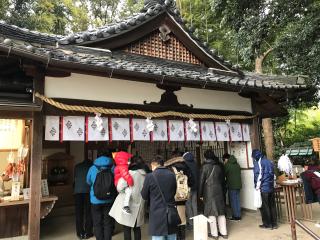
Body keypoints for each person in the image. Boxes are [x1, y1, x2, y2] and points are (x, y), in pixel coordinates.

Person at [109, 156, 147, 240]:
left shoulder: (129, 173)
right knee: (137, 228)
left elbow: (119, 187)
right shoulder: (145, 175)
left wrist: (125, 189)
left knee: (127, 228)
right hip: (139, 204)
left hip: (128, 204)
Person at [141, 155, 178, 240]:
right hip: (170, 212)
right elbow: (174, 191)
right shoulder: (172, 175)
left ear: (153, 165)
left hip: (156, 213)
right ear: (162, 164)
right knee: (171, 236)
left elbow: (144, 196)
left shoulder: (150, 176)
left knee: (158, 237)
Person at [86, 151, 115, 240]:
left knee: (97, 222)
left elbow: (88, 181)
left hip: (95, 200)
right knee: (108, 222)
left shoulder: (92, 168)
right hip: (109, 199)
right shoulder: (113, 167)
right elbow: (116, 181)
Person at [199, 150, 227, 240]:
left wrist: (200, 194)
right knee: (221, 211)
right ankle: (224, 233)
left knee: (211, 212)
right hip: (219, 191)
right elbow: (223, 181)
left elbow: (201, 182)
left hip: (208, 191)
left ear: (205, 157)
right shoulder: (218, 166)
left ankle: (214, 234)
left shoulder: (204, 167)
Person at [165, 152, 193, 240]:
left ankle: (177, 236)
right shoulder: (187, 167)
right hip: (183, 195)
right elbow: (191, 181)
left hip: (173, 196)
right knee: (182, 216)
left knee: (174, 216)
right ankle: (183, 236)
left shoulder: (170, 169)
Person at [252, 149, 277, 230]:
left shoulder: (258, 162)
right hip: (271, 187)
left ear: (256, 156)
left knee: (265, 207)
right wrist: (274, 184)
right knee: (272, 205)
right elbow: (273, 175)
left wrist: (257, 187)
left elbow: (258, 175)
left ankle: (268, 224)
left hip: (264, 187)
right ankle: (274, 224)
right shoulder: (269, 161)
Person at [74, 159, 93, 239]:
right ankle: (88, 233)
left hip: (78, 191)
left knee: (79, 212)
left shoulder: (77, 166)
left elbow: (75, 178)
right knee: (89, 212)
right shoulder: (92, 166)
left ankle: (80, 233)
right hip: (88, 191)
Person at [223, 153, 242, 221]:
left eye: (224, 160)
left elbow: (224, 174)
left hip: (232, 185)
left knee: (233, 201)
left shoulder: (227, 165)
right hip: (238, 185)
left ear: (226, 159)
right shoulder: (237, 164)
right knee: (237, 200)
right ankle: (238, 215)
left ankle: (236, 216)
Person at [182, 152, 199, 230]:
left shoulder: (184, 164)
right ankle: (196, 222)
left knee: (188, 205)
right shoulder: (195, 164)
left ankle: (191, 223)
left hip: (187, 188)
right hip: (195, 187)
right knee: (194, 204)